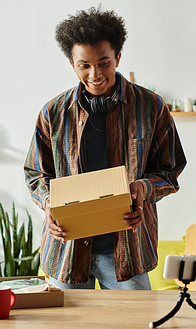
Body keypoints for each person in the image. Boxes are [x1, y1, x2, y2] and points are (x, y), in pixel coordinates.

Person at [24, 6, 186, 290]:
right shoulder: (53, 113)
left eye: (103, 63)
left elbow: (170, 170)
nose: (95, 74)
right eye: (84, 65)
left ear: (118, 58)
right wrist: (49, 204)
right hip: (68, 249)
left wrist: (142, 189)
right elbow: (35, 173)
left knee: (135, 326)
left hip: (127, 248)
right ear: (72, 64)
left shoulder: (151, 107)